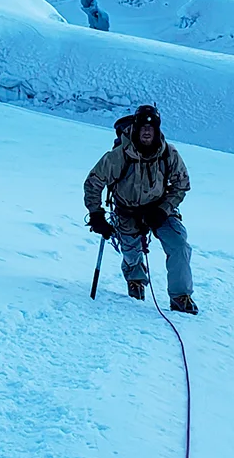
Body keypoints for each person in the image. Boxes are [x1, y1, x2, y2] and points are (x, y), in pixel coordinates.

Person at [84, 105, 198, 314]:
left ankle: (181, 296)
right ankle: (135, 277)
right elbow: (93, 183)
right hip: (127, 211)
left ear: (157, 129)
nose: (147, 131)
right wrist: (96, 214)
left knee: (179, 243)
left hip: (160, 210)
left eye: (151, 127)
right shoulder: (118, 156)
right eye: (143, 127)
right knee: (131, 251)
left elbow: (182, 184)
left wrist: (164, 209)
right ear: (136, 129)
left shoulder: (169, 153)